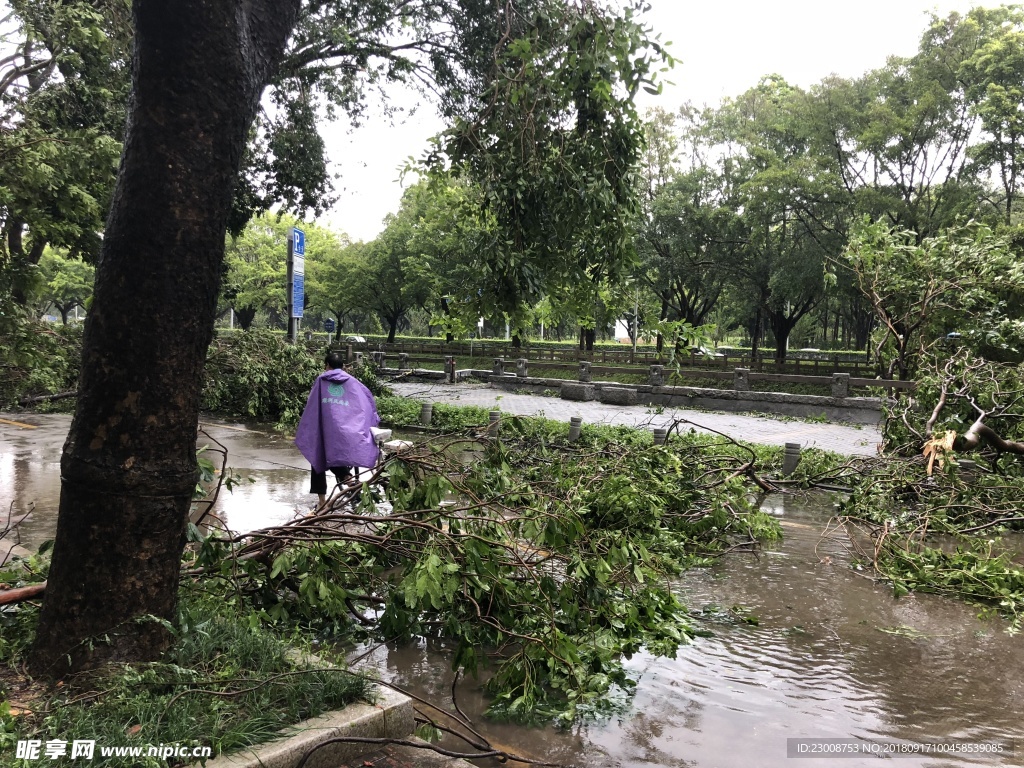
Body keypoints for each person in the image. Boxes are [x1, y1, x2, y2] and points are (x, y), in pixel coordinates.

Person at [294, 350, 380, 508]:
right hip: (348, 433)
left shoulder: (321, 380)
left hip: (327, 430)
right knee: (333, 452)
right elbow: (366, 403)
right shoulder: (353, 382)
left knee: (318, 455)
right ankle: (348, 478)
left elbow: (313, 406)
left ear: (327, 365)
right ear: (344, 366)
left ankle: (322, 501)